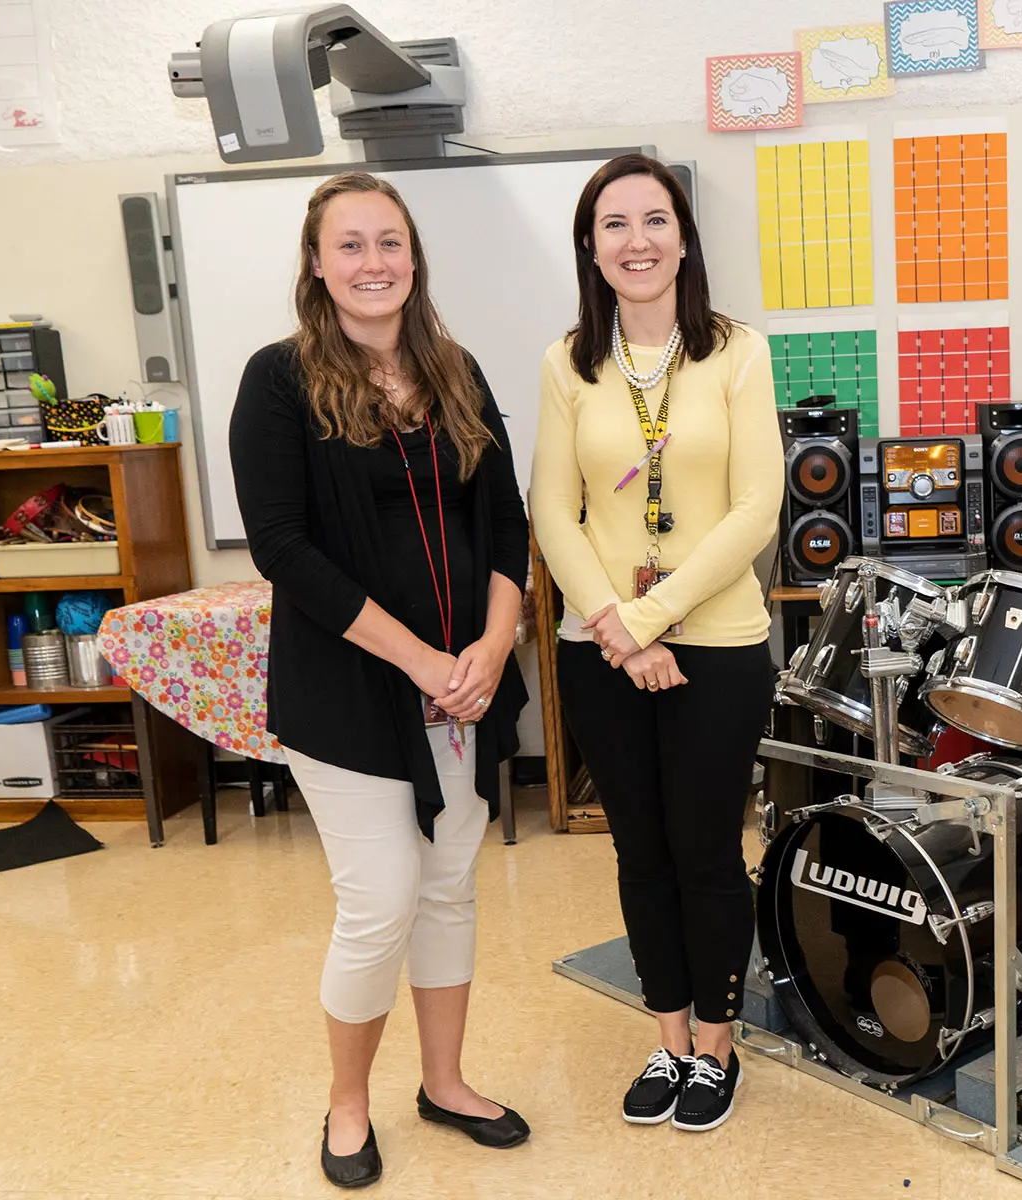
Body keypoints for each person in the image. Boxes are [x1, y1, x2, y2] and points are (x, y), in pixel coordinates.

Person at [229, 171, 531, 1188]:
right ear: (316, 264)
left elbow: (503, 525)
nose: (372, 263)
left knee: (448, 889)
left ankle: (443, 1082)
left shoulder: (455, 370)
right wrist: (425, 663)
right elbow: (283, 548)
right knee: (383, 898)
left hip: (465, 683)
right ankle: (346, 1103)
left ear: (414, 258)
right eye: (350, 245)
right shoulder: (277, 380)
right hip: (349, 693)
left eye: (389, 243)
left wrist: (492, 651)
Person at [531, 153, 781, 1133]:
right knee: (640, 854)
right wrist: (615, 629)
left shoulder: (738, 352)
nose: (637, 241)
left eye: (654, 220)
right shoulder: (568, 362)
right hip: (596, 650)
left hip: (715, 645)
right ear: (591, 248)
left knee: (707, 852)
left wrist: (646, 618)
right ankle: (668, 1037)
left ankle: (717, 1049)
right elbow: (553, 511)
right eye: (614, 225)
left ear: (683, 235)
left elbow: (757, 508)